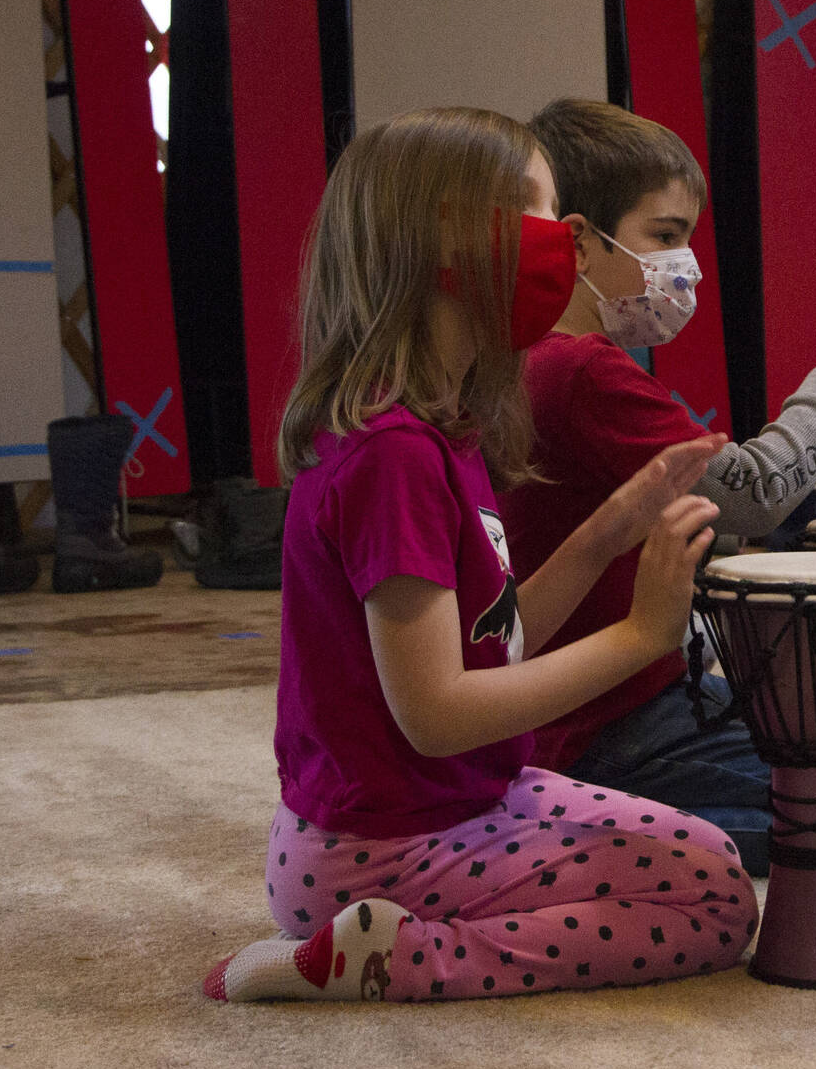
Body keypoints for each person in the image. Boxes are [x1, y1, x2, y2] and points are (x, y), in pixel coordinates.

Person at [205, 107, 756, 1003]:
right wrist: (642, 635)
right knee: (713, 901)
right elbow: (437, 711)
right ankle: (397, 956)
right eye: (546, 218)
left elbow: (493, 640)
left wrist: (606, 531)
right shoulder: (389, 452)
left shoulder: (441, 428)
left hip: (449, 805)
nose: (569, 245)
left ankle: (383, 939)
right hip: (378, 846)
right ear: (453, 244)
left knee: (709, 857)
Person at [500, 100, 816, 875]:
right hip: (608, 723)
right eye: (664, 237)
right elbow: (755, 492)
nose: (685, 264)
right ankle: (589, 824)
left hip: (585, 710)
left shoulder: (535, 358)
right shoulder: (580, 370)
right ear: (577, 239)